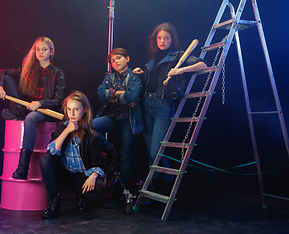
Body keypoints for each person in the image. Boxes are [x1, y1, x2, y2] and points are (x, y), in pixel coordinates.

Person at [133, 22, 207, 195]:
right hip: (146, 105)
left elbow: (203, 66)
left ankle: (159, 188)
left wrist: (181, 71)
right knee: (153, 155)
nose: (162, 41)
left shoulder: (178, 56)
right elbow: (153, 79)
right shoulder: (153, 57)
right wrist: (142, 72)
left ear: (172, 39)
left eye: (166, 38)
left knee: (155, 152)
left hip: (162, 106)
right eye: (159, 38)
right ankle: (163, 187)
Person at [0, 36, 66, 180]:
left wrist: (40, 103)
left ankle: (23, 168)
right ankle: (17, 110)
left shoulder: (58, 73)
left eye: (44, 49)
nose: (40, 52)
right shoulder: (28, 70)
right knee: (7, 78)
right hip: (27, 108)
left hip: (45, 111)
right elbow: (3, 72)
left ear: (51, 52)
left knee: (31, 117)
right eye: (38, 49)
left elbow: (58, 100)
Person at [39, 91, 111, 219]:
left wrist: (94, 175)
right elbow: (52, 151)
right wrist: (67, 130)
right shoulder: (63, 126)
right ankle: (54, 204)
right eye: (69, 109)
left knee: (99, 187)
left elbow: (98, 161)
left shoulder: (92, 135)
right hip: (64, 174)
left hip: (81, 177)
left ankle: (82, 195)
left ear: (85, 110)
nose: (71, 114)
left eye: (76, 109)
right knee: (45, 160)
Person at [94, 48, 144, 208]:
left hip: (128, 120)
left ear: (127, 58)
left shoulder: (135, 76)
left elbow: (134, 95)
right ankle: (109, 150)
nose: (115, 62)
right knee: (91, 126)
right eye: (113, 60)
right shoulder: (109, 76)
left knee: (125, 155)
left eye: (118, 58)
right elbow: (101, 94)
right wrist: (122, 94)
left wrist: (114, 95)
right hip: (112, 117)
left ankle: (120, 193)